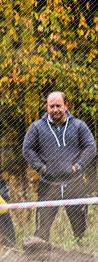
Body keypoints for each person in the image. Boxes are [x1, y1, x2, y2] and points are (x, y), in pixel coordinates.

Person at [21, 91, 96, 243]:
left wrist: (78, 166)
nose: (55, 109)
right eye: (51, 106)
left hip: (74, 183)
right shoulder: (37, 127)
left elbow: (90, 147)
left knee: (81, 229)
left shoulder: (79, 125)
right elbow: (27, 149)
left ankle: (82, 253)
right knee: (42, 229)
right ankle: (40, 254)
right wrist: (41, 168)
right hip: (48, 184)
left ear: (66, 106)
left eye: (58, 106)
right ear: (47, 107)